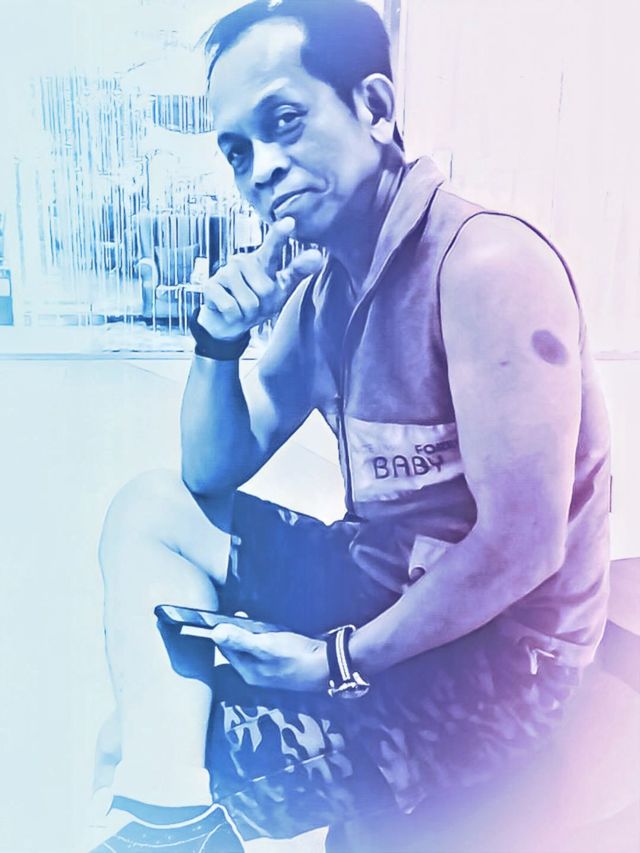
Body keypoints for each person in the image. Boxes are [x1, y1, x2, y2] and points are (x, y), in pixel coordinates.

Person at [91, 1, 611, 850]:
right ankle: (171, 817)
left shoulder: (486, 264)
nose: (262, 167)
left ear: (373, 105)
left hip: (507, 659)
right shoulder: (327, 292)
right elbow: (208, 472)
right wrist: (217, 341)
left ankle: (174, 818)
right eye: (237, 150)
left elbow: (523, 546)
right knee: (150, 510)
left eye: (283, 121)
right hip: (384, 580)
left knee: (160, 745)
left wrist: (335, 659)